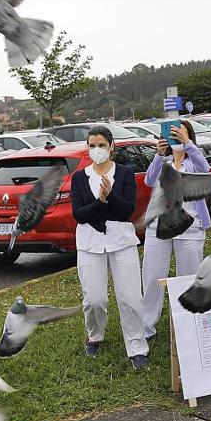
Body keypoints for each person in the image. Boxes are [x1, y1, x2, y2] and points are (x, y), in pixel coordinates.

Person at [70, 125, 149, 368]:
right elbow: (79, 214)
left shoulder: (124, 173)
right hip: (90, 242)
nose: (97, 150)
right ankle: (94, 336)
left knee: (130, 298)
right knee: (94, 299)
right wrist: (101, 202)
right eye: (92, 145)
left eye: (101, 145)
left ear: (111, 146)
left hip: (121, 241)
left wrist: (110, 196)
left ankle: (137, 347)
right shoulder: (80, 178)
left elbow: (127, 210)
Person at [140, 121, 208, 339]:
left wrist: (188, 145)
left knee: (188, 277)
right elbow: (149, 180)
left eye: (180, 133)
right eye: (172, 134)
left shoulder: (194, 160)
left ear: (189, 136)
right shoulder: (164, 161)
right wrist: (159, 155)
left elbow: (205, 170)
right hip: (158, 228)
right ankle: (146, 326)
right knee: (152, 278)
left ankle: (187, 324)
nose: (176, 137)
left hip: (190, 227)